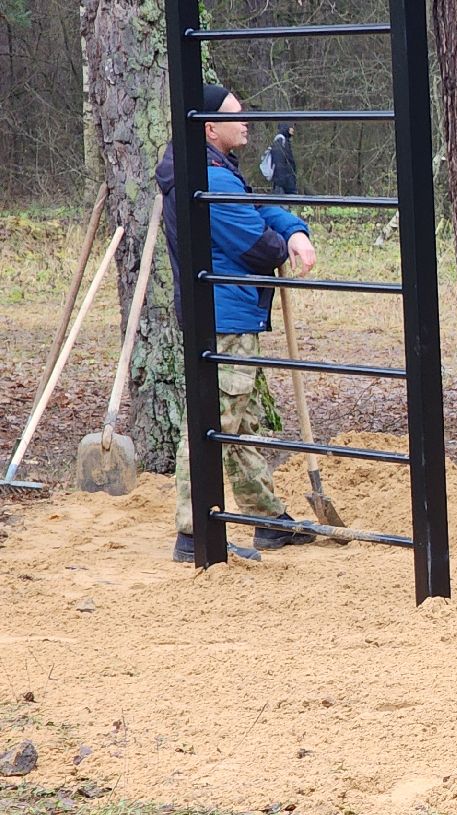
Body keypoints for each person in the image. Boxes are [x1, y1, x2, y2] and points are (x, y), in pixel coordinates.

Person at [158, 84, 319, 563]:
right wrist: (282, 240)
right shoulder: (211, 180)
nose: (246, 121)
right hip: (223, 318)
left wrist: (290, 227)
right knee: (213, 424)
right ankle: (194, 534)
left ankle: (266, 519)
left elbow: (255, 209)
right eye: (235, 116)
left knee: (241, 423)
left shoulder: (215, 174)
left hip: (227, 314)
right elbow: (257, 244)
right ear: (210, 128)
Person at [263, 124, 298, 197]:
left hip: (284, 183)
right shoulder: (280, 141)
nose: (293, 129)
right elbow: (279, 165)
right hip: (283, 185)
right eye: (291, 127)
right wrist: (287, 184)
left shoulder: (284, 141)